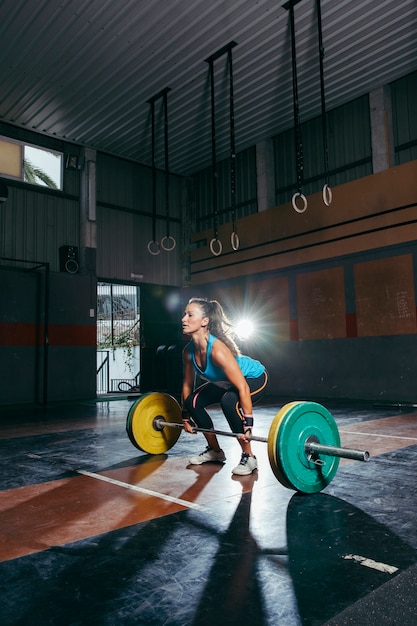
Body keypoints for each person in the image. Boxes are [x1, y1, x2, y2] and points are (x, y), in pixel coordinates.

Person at [181, 297, 269, 476]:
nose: (184, 319)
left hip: (253, 377)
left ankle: (249, 456)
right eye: (184, 314)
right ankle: (215, 451)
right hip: (225, 382)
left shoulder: (218, 350)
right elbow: (187, 384)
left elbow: (243, 387)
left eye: (190, 315)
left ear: (205, 321)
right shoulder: (188, 352)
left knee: (228, 401)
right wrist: (185, 416)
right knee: (193, 402)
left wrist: (248, 424)